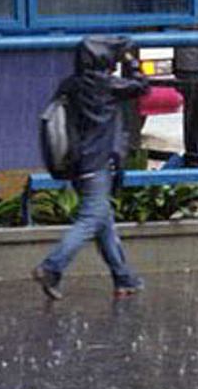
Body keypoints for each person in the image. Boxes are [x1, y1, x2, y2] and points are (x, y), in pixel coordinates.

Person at [32, 36, 150, 300]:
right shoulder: (106, 86)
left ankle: (123, 279)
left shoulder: (70, 85)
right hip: (96, 164)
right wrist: (131, 61)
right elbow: (142, 87)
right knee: (89, 220)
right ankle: (51, 267)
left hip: (76, 164)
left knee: (103, 222)